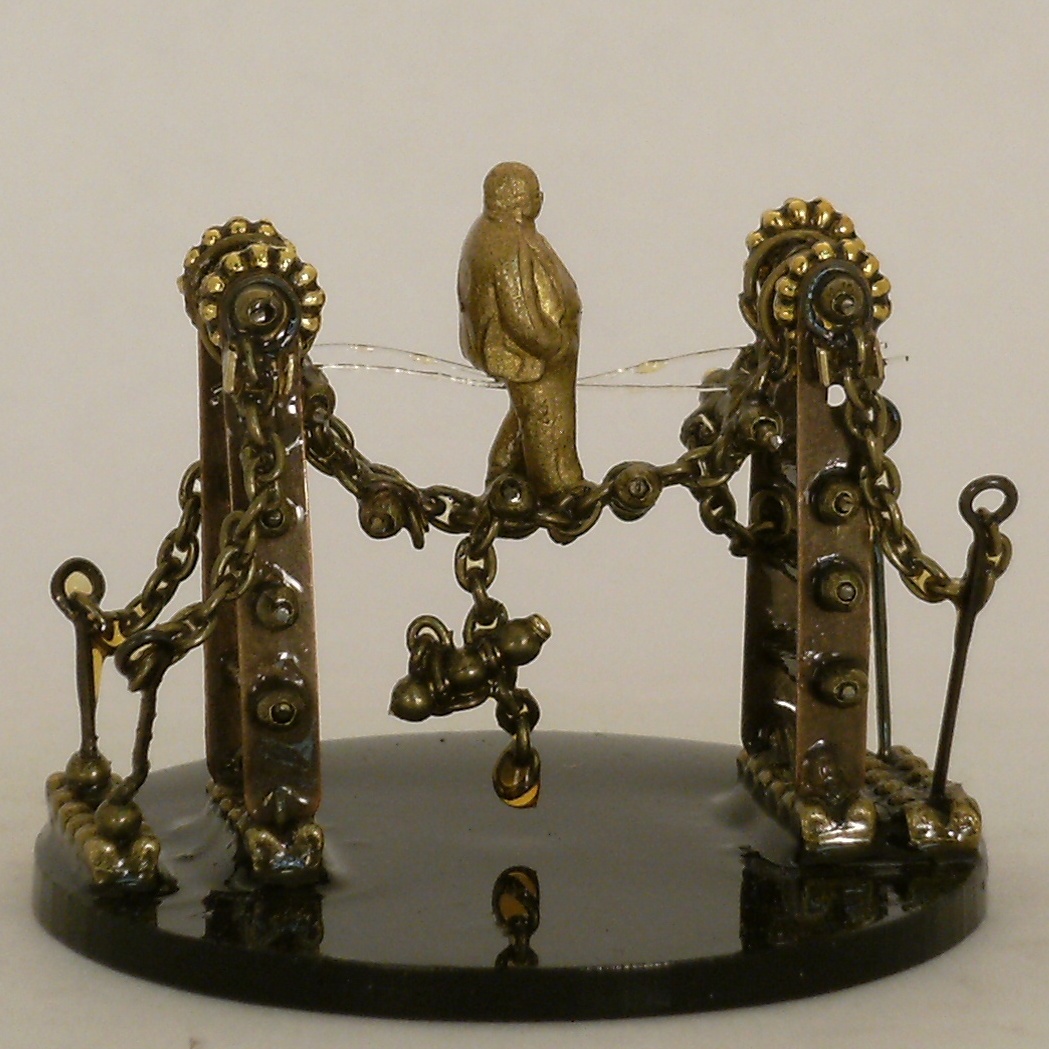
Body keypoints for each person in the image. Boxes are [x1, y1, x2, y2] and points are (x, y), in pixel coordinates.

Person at [458, 162, 584, 500]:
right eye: (534, 193)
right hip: (532, 357)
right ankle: (559, 486)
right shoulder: (507, 243)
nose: (540, 198)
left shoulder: (499, 232)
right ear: (519, 200)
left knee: (525, 412)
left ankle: (504, 470)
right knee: (546, 414)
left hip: (528, 356)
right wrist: (555, 345)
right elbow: (520, 316)